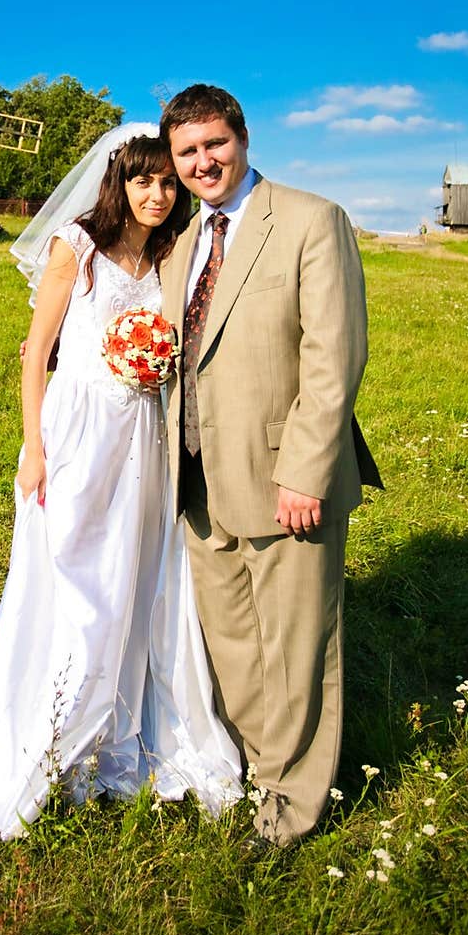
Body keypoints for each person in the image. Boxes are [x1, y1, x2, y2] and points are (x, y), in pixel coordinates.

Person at [0, 124, 244, 840]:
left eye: (167, 182)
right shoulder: (74, 247)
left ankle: (126, 733)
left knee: (140, 578)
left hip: (143, 437)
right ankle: (57, 743)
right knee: (80, 583)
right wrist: (34, 447)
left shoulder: (171, 253)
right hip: (78, 432)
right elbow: (35, 354)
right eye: (143, 180)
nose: (157, 193)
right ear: (117, 181)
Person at [158, 84, 383, 855]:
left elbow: (334, 357)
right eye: (187, 151)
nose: (202, 162)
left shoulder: (312, 221)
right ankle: (263, 770)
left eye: (214, 144)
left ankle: (293, 809)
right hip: (196, 480)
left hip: (285, 480)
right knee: (234, 644)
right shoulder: (185, 243)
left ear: (244, 138)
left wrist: (304, 472)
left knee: (297, 648)